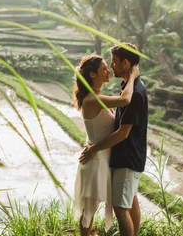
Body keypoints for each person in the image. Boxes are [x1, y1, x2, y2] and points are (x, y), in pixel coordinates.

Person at [79, 43, 148, 236]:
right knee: (95, 207)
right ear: (93, 75)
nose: (110, 68)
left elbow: (122, 132)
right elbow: (97, 126)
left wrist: (93, 147)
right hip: (104, 159)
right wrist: (91, 146)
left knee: (121, 207)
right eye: (105, 67)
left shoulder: (132, 92)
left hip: (121, 157)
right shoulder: (108, 94)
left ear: (125, 63)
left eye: (113, 63)